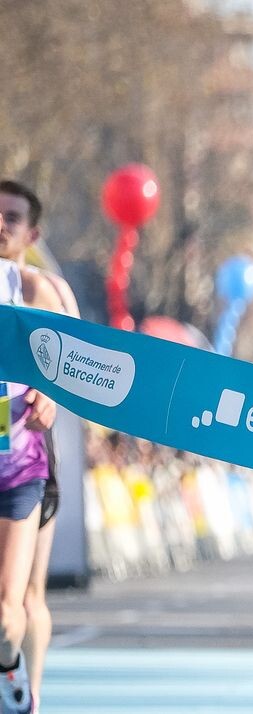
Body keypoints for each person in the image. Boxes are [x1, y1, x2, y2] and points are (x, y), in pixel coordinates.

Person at [0, 181, 75, 714]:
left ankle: (30, 693)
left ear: (32, 233)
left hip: (30, 454)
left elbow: (77, 366)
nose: (0, 225)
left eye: (12, 217)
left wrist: (51, 392)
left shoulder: (42, 290)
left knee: (27, 595)